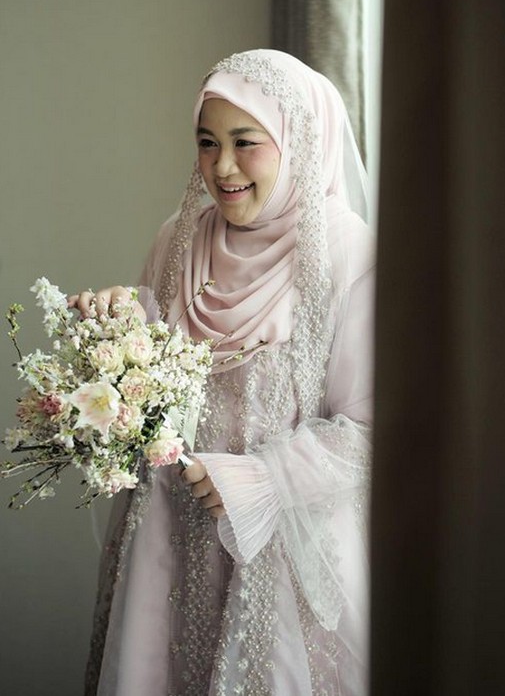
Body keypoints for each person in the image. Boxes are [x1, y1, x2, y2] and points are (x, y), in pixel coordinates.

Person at [71, 49, 376, 696]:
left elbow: (370, 432)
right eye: (207, 143)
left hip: (285, 564)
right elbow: (155, 387)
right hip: (167, 555)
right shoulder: (179, 238)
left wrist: (261, 478)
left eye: (246, 143)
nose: (223, 168)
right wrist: (112, 339)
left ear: (299, 139)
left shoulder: (350, 255)